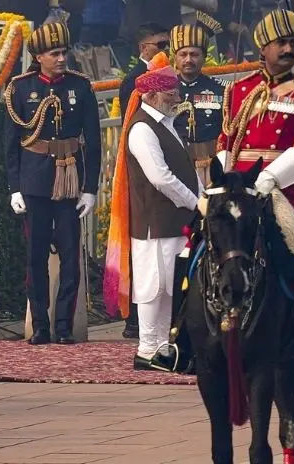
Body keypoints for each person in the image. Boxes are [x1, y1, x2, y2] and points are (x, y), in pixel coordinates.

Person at [215, 9, 294, 375]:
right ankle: (181, 338)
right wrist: (227, 178)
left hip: (285, 189)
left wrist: (268, 178)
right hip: (238, 187)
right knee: (194, 237)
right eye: (280, 43)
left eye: (293, 43)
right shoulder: (238, 91)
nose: (288, 49)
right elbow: (226, 140)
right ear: (263, 47)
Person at [3, 22, 101, 345]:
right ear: (38, 56)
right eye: (53, 53)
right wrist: (14, 187)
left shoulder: (81, 86)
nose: (61, 58)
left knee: (71, 255)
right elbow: (11, 143)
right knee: (35, 256)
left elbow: (94, 141)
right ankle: (41, 326)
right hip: (34, 182)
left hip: (71, 178)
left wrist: (90, 187)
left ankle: (63, 327)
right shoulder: (20, 88)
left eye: (64, 52)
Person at [104, 51, 198, 370]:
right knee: (151, 288)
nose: (177, 96)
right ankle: (147, 349)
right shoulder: (142, 129)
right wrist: (194, 201)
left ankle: (163, 346)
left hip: (175, 221)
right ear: (155, 94)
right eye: (172, 92)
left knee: (171, 286)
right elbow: (160, 177)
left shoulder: (167, 123)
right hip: (154, 222)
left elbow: (183, 168)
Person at [170, 16, 226, 188]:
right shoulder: (164, 90)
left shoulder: (220, 89)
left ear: (204, 57)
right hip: (174, 163)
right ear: (175, 57)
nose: (188, 60)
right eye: (183, 54)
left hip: (212, 166)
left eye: (194, 54)